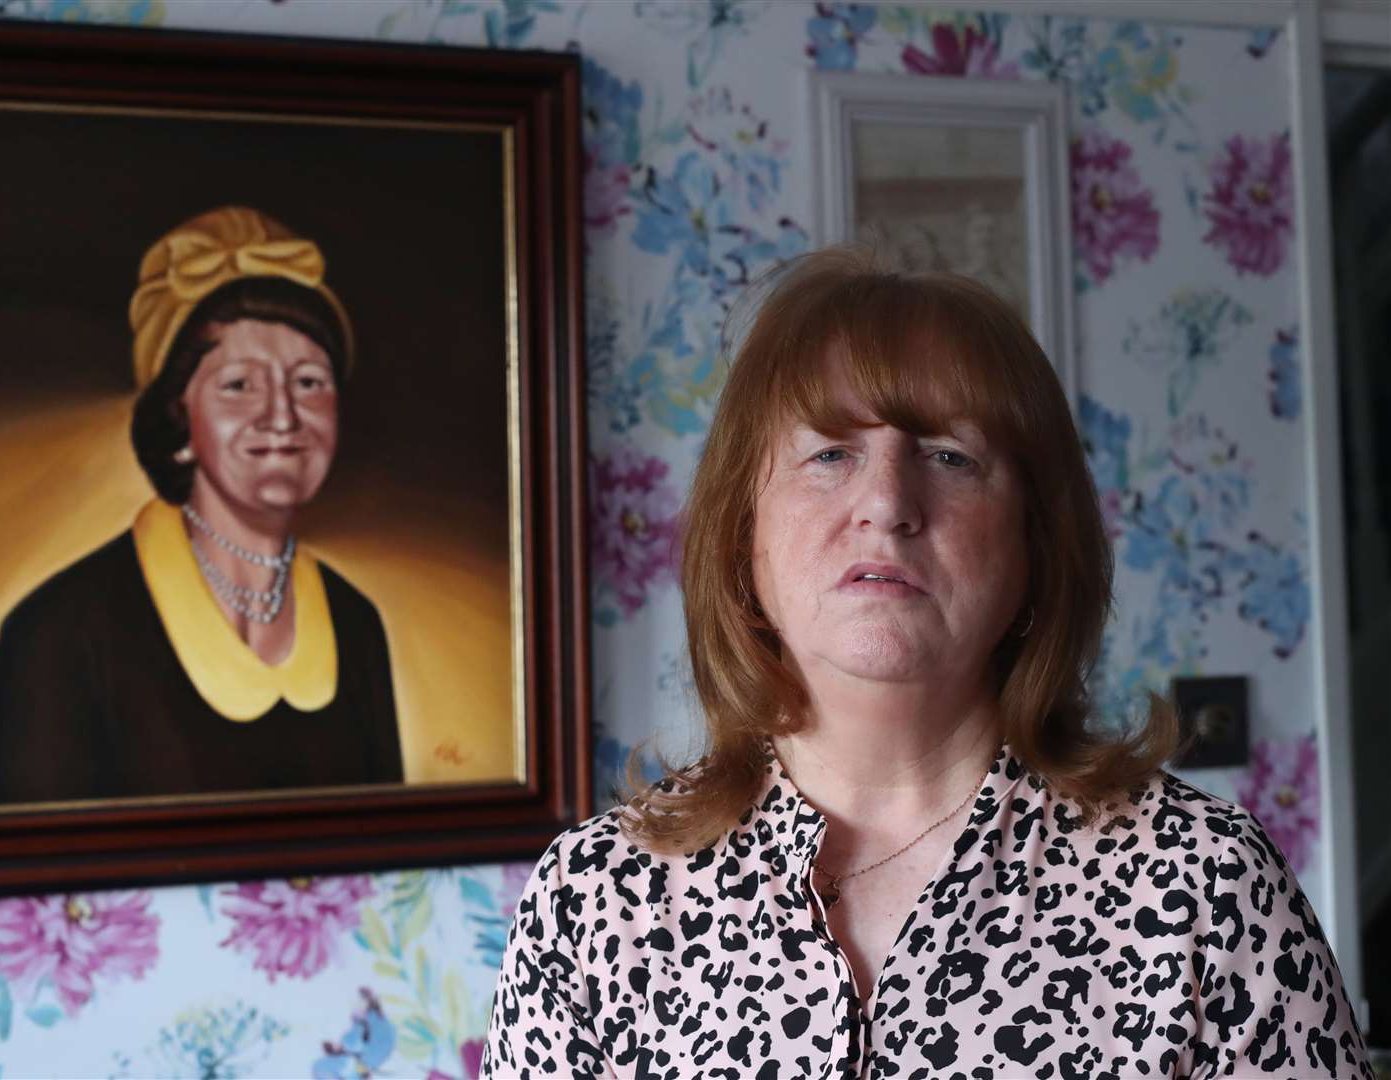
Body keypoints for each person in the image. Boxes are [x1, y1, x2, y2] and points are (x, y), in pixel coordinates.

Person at [482, 248, 1369, 1078]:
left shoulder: (1206, 888)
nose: (887, 503)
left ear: (1034, 546)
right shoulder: (596, 904)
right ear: (740, 538)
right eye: (830, 453)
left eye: (950, 456)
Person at [0, 206, 402, 805]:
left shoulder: (357, 625)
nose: (283, 416)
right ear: (179, 420)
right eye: (240, 385)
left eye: (309, 381)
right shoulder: (57, 635)